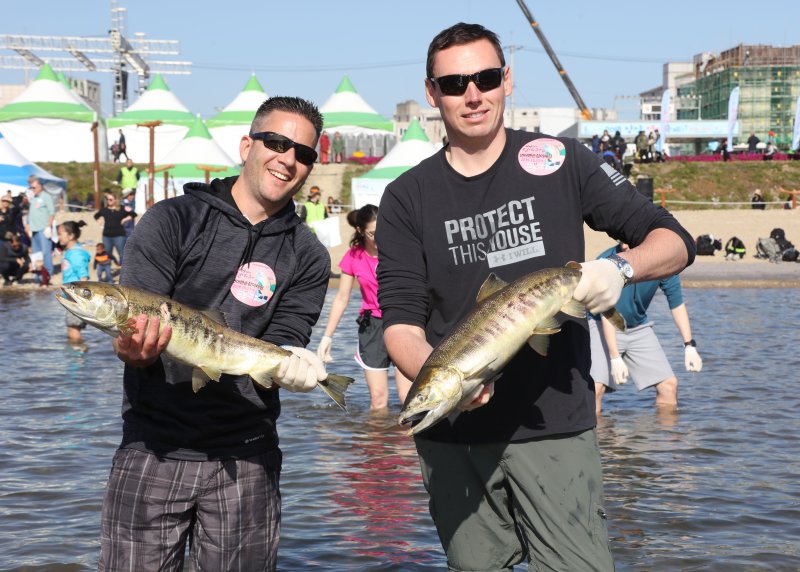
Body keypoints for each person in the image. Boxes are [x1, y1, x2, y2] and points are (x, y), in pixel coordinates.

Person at [376, 23, 695, 571]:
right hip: (455, 438)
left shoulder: (563, 160)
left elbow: (674, 240)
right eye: (454, 84)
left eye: (485, 77)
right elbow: (400, 325)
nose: (472, 94)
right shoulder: (406, 197)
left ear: (507, 80)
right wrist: (448, 383)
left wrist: (619, 268)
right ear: (432, 94)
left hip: (557, 427)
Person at [99, 96, 332, 571]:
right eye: (277, 142)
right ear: (247, 144)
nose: (288, 159)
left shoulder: (308, 255)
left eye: (303, 153)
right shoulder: (173, 220)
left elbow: (289, 334)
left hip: (248, 454)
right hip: (154, 445)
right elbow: (137, 317)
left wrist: (293, 362)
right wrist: (132, 350)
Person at [316, 205, 413, 412]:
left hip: (403, 322)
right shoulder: (354, 256)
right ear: (360, 231)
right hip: (372, 328)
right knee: (378, 400)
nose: (379, 238)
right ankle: (375, 443)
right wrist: (327, 337)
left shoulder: (401, 250)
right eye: (372, 233)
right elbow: (342, 298)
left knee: (408, 398)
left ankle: (408, 443)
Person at [589, 242, 702, 415]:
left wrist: (689, 345)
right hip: (601, 324)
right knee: (595, 389)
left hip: (638, 327)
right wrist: (615, 358)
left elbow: (676, 303)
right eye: (622, 237)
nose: (626, 242)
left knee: (669, 386)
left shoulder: (662, 261)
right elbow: (607, 312)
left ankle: (664, 439)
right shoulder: (606, 262)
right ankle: (596, 439)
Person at [57, 220, 91, 344]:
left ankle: (77, 360)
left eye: (60, 234)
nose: (58, 237)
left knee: (73, 330)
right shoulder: (71, 252)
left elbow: (84, 278)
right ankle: (77, 358)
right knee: (72, 329)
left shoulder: (76, 253)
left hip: (75, 299)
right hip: (71, 298)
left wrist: (79, 300)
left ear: (71, 236)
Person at [93, 190, 135, 266]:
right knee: (108, 254)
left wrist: (125, 219)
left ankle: (123, 270)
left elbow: (133, 214)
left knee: (122, 254)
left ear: (116, 200)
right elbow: (96, 215)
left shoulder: (122, 208)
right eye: (107, 199)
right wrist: (99, 221)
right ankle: (109, 270)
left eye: (110, 199)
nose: (108, 201)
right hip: (106, 236)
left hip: (119, 236)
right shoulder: (104, 210)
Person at [24, 176, 55, 278]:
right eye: (31, 188)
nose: (32, 189)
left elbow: (51, 213)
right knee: (36, 253)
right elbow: (30, 213)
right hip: (34, 229)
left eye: (34, 187)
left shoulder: (46, 196)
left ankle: (48, 273)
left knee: (46, 252)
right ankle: (37, 274)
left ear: (40, 186)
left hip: (43, 229)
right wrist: (27, 225)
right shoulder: (33, 198)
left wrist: (49, 227)